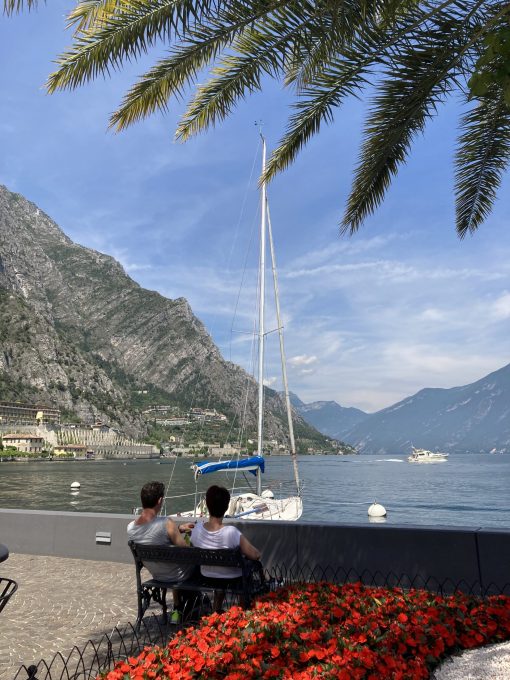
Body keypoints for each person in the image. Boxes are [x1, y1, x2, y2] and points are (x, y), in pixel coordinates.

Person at [127, 481, 194, 622]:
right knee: (196, 565)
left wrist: (178, 529)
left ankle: (177, 607)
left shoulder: (131, 528)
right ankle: (194, 608)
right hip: (178, 576)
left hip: (157, 574)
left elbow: (152, 534)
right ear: (160, 500)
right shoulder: (167, 523)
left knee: (173, 563)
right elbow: (186, 552)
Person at [190, 484, 261, 612]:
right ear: (227, 506)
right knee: (247, 571)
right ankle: (241, 612)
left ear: (206, 504)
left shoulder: (196, 530)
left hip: (206, 577)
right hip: (231, 579)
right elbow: (255, 555)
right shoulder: (231, 533)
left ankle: (216, 610)